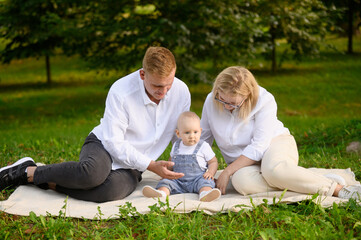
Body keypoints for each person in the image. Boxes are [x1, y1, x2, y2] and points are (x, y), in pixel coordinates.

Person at [0, 46, 191, 203]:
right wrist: (151, 165)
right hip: (104, 145)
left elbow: (179, 135)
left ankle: (49, 182)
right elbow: (114, 142)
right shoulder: (121, 91)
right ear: (142, 74)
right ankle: (27, 171)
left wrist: (181, 162)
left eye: (169, 85)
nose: (164, 92)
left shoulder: (181, 92)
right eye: (158, 86)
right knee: (91, 175)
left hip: (135, 164)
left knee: (110, 192)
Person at [200, 66, 361, 200]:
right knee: (241, 183)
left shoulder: (264, 100)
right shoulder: (211, 100)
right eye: (222, 100)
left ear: (247, 95)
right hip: (244, 162)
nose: (227, 106)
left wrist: (228, 171)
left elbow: (259, 146)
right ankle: (305, 180)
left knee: (273, 171)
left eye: (234, 104)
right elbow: (203, 140)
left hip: (275, 144)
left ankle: (336, 189)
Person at [142, 111, 221, 202]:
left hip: (197, 179)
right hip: (178, 180)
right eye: (187, 132)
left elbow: (213, 162)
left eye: (195, 132)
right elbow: (171, 161)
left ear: (200, 131)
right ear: (178, 133)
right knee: (166, 182)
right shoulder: (176, 145)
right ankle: (162, 193)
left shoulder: (203, 146)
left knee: (206, 182)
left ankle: (205, 194)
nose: (192, 136)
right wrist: (167, 172)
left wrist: (210, 172)